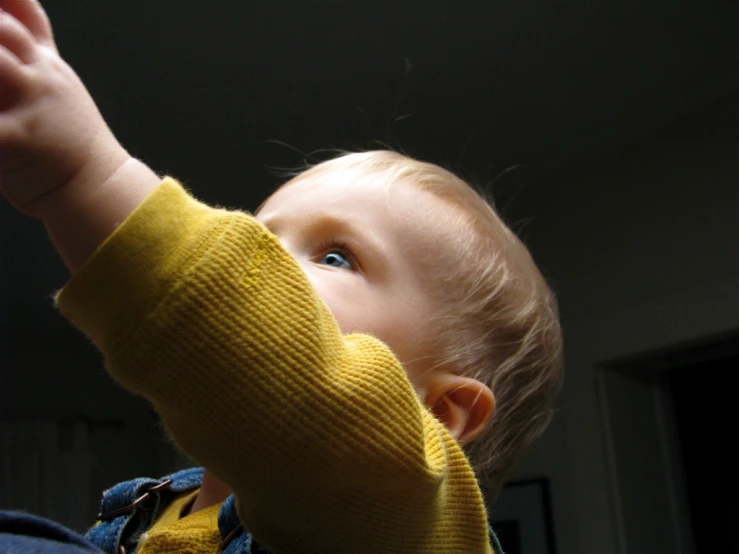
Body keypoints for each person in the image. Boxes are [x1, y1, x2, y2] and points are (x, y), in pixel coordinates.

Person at [0, 0, 563, 552]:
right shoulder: (149, 515)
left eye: (336, 256)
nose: (260, 261)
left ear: (437, 415)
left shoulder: (405, 514)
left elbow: (299, 390)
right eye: (262, 237)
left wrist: (85, 177)